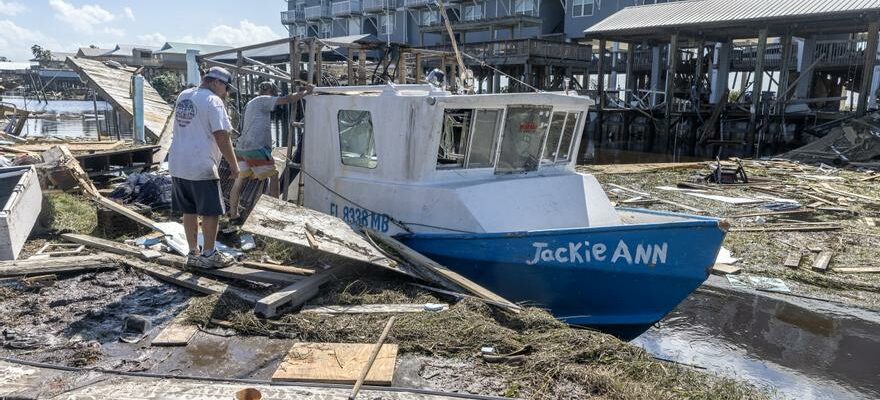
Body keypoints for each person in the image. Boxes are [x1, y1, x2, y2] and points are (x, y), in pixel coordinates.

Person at [168, 67, 239, 269]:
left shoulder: (184, 95)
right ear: (216, 82)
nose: (225, 93)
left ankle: (193, 253)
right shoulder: (213, 101)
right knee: (210, 212)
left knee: (188, 209)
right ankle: (209, 254)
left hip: (178, 162)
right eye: (225, 87)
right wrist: (234, 165)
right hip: (201, 164)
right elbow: (221, 135)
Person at [228, 81, 312, 221]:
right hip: (256, 148)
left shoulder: (251, 102)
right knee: (274, 176)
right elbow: (288, 99)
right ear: (271, 92)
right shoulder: (264, 100)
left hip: (242, 147)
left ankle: (233, 214)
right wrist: (305, 92)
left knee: (239, 182)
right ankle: (275, 212)